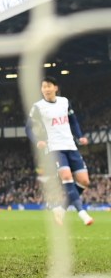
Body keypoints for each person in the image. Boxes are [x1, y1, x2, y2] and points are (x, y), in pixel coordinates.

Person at [26, 76, 94, 226]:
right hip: (54, 148)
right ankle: (83, 214)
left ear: (55, 88)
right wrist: (38, 141)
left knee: (84, 181)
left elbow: (73, 120)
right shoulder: (38, 107)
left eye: (49, 86)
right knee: (67, 177)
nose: (46, 89)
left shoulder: (64, 102)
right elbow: (28, 128)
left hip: (70, 146)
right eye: (43, 87)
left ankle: (61, 210)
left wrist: (80, 136)